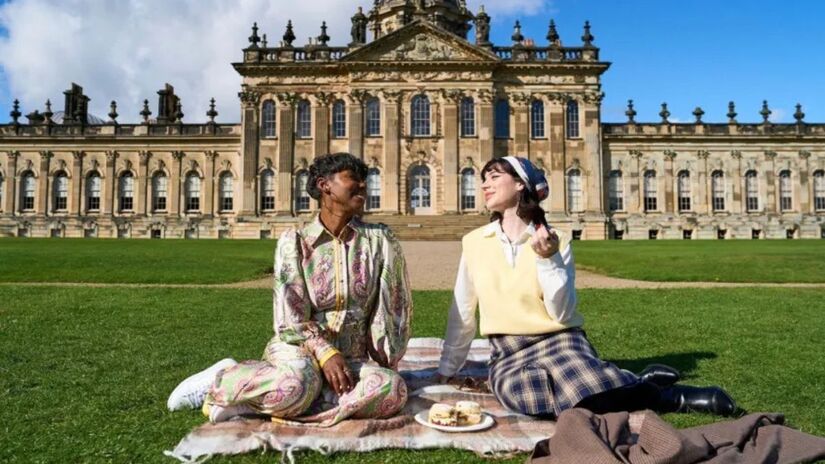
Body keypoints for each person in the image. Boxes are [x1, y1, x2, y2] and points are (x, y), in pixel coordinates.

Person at [434, 156, 736, 418]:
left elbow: (562, 312)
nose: (484, 184)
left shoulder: (556, 239)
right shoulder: (474, 242)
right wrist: (448, 367)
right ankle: (636, 381)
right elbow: (462, 308)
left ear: (519, 185)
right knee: (526, 397)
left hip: (560, 338)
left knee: (581, 383)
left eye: (494, 177)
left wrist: (548, 260)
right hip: (509, 351)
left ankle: (670, 397)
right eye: (483, 178)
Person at [167, 153, 412, 427]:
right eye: (354, 179)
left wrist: (386, 362)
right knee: (297, 386)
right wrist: (325, 353)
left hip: (351, 359)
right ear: (325, 185)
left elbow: (393, 306)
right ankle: (223, 379)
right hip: (299, 350)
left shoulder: (379, 240)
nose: (364, 186)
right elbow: (289, 319)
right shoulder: (294, 242)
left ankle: (282, 404)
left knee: (393, 390)